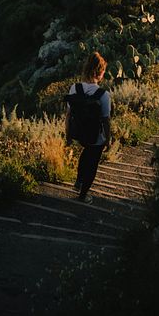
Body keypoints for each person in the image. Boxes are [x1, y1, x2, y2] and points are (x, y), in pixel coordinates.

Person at [65, 51, 112, 204]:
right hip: (95, 135)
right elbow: (106, 120)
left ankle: (79, 180)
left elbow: (68, 115)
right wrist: (108, 139)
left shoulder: (74, 88)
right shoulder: (103, 95)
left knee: (86, 151)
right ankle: (83, 195)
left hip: (79, 132)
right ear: (100, 72)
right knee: (93, 163)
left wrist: (68, 135)